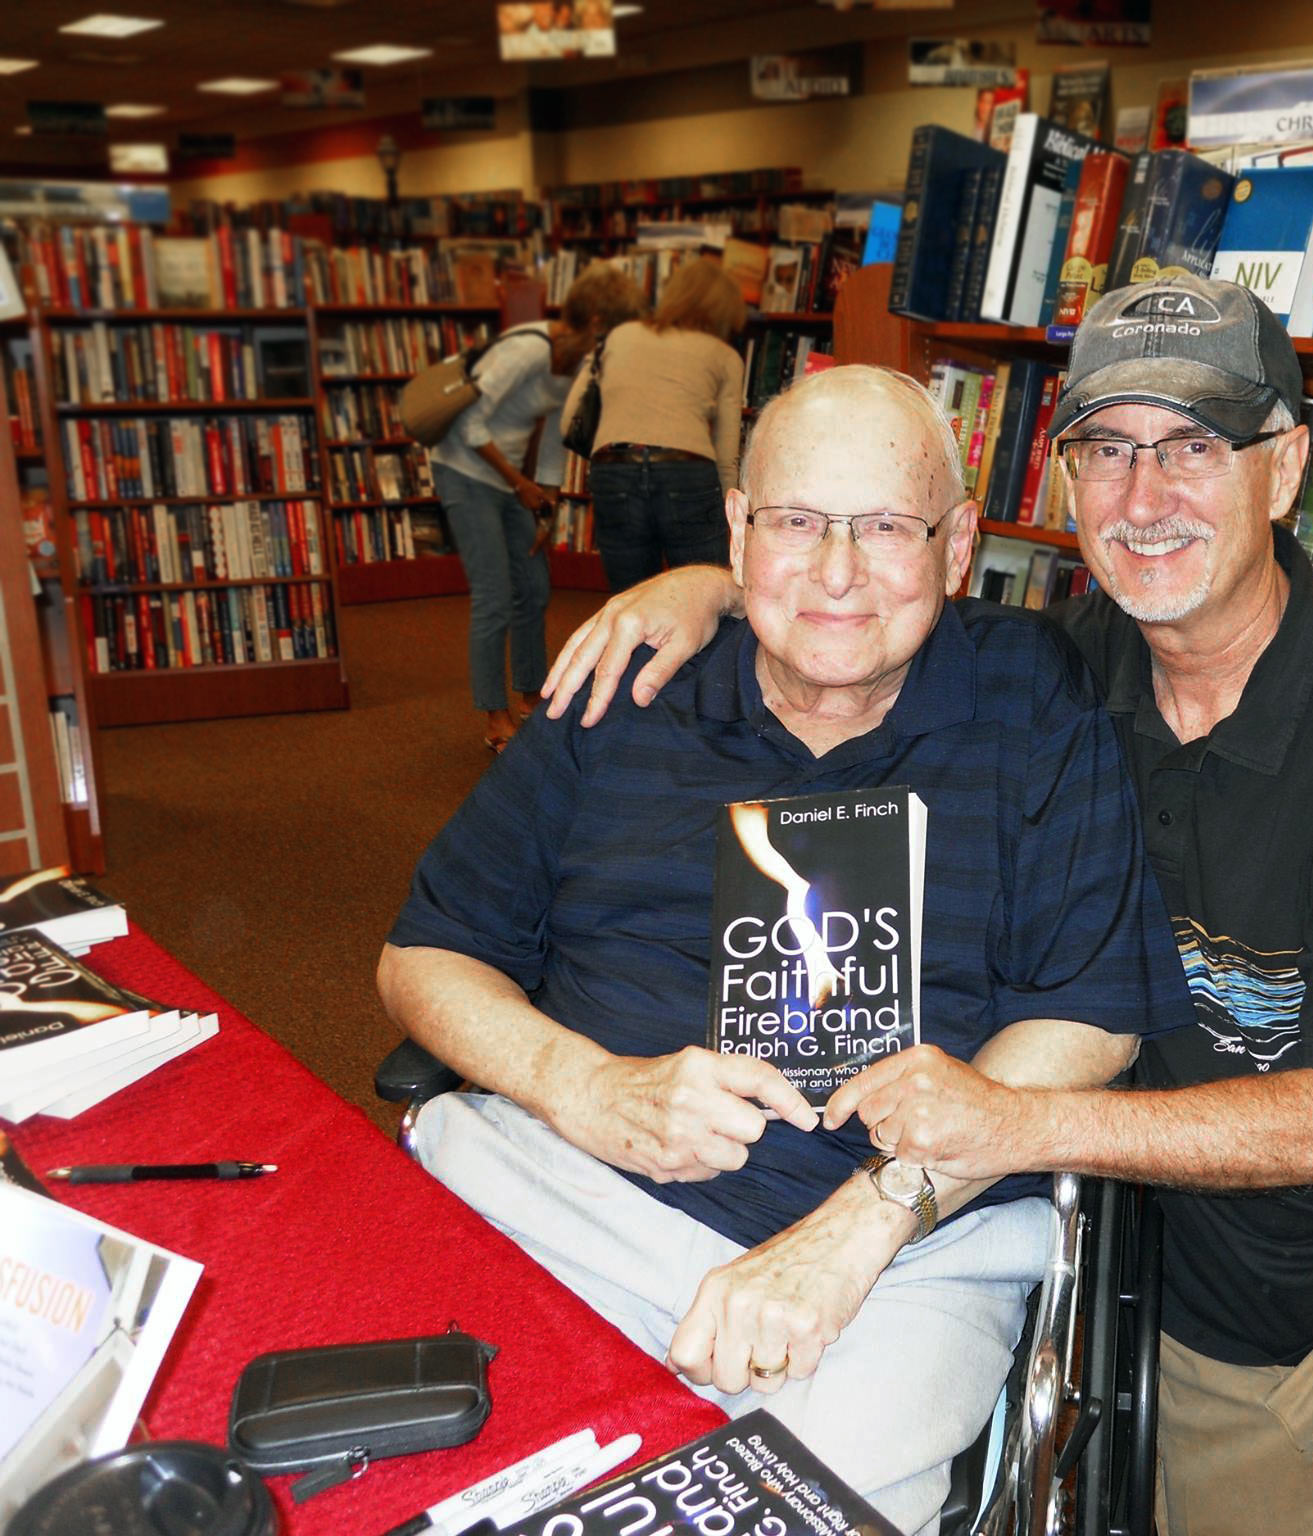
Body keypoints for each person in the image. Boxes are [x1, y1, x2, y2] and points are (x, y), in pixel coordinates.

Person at [542, 277, 1313, 1536]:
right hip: (1188, 1312)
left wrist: (1013, 1119)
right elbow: (856, 595)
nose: (1142, 499)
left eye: (1192, 448)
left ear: (1284, 468)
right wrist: (705, 585)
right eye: (1105, 450)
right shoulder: (1051, 672)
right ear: (1060, 482)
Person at [380, 364, 1191, 1536]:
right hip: (571, 1187)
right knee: (407, 1468)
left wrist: (851, 1232)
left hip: (904, 1253)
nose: (835, 573)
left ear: (958, 545)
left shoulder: (1032, 694)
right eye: (796, 522)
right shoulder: (626, 683)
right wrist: (588, 1087)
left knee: (789, 1515)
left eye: (885, 528)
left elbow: (1094, 1014)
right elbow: (420, 957)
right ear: (735, 530)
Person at [429, 264, 640, 754]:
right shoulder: (526, 349)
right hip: (464, 470)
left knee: (534, 585)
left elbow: (552, 437)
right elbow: (467, 422)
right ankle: (494, 713)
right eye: (609, 333)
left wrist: (547, 501)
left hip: (510, 481)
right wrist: (520, 483)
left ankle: (530, 696)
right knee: (495, 595)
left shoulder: (575, 364)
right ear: (592, 320)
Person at [561, 258, 748, 593]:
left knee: (630, 600)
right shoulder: (725, 357)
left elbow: (568, 422)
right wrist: (728, 518)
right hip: (686, 471)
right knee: (704, 594)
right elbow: (726, 454)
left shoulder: (620, 335)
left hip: (613, 469)